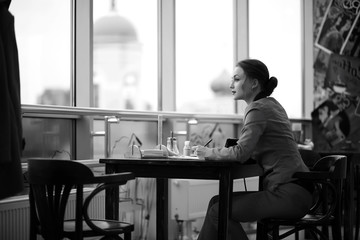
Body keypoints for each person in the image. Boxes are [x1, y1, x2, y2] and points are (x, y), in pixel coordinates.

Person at [193, 59, 313, 240]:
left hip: (288, 194)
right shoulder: (272, 104)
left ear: (254, 83)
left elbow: (241, 153)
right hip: (298, 191)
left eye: (237, 79)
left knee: (218, 211)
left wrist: (208, 152)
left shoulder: (257, 109)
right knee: (216, 203)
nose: (230, 84)